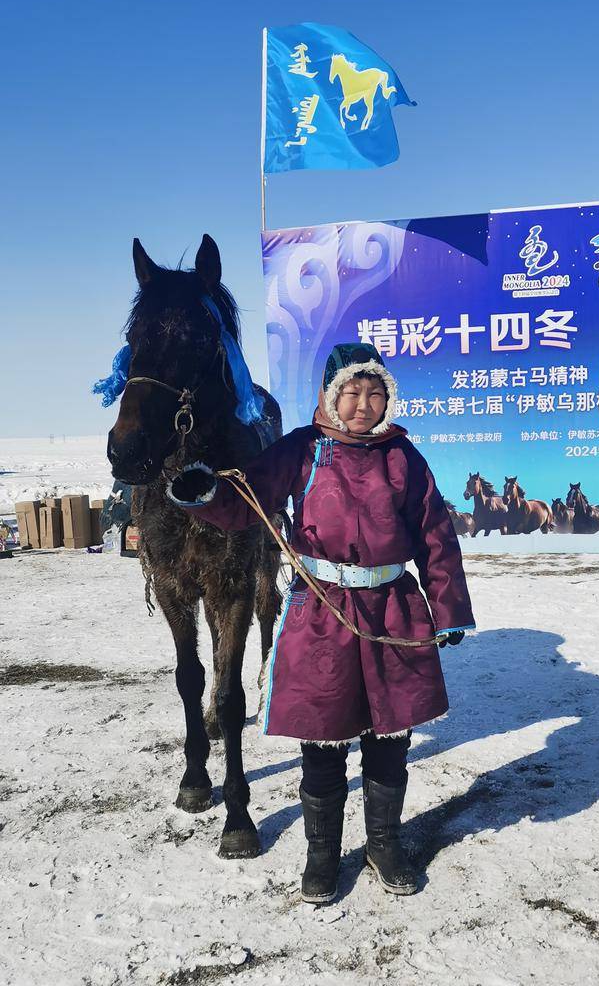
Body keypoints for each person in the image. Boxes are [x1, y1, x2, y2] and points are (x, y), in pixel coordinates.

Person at [168, 342, 474, 903]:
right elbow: (246, 500)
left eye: (374, 392)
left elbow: (435, 536)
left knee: (391, 737)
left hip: (392, 610)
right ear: (331, 396)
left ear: (388, 397)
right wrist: (205, 495)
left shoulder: (404, 458)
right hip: (323, 610)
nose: (363, 405)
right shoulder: (303, 450)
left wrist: (448, 609)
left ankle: (384, 844)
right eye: (351, 392)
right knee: (324, 739)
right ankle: (322, 855)